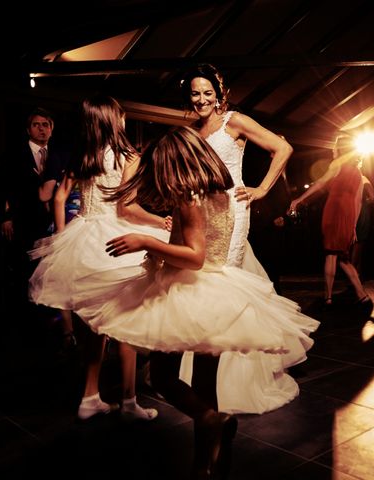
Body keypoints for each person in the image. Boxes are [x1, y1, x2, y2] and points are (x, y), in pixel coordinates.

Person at [75, 126, 318, 478]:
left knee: (161, 376)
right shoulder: (220, 192)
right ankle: (207, 461)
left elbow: (195, 256)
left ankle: (208, 421)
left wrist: (147, 241)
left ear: (175, 161)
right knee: (206, 386)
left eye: (161, 166)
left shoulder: (189, 195)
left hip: (189, 289)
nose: (159, 174)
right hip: (218, 291)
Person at [29, 95, 171, 421]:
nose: (123, 119)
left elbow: (60, 196)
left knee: (93, 324)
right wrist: (159, 220)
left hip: (84, 235)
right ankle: (129, 401)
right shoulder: (128, 155)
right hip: (116, 238)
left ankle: (89, 397)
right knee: (127, 320)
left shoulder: (84, 154)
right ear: (112, 119)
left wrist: (62, 235)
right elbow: (126, 208)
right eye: (120, 114)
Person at [179, 63, 307, 415]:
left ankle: (234, 378)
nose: (201, 99)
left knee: (223, 282)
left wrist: (262, 190)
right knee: (200, 282)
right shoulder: (192, 129)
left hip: (233, 212)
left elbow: (282, 148)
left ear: (219, 95)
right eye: (195, 93)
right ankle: (200, 369)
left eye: (207, 92)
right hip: (202, 212)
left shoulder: (234, 121)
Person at [0, 107, 70, 323]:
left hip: (53, 220)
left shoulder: (60, 155)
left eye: (45, 125)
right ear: (28, 129)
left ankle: (49, 313)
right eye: (36, 125)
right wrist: (6, 217)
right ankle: (26, 316)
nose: (41, 129)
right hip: (23, 218)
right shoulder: (14, 154)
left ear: (52, 129)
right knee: (24, 267)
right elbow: (4, 187)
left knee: (49, 268)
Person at [288, 148, 374, 310]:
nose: (333, 152)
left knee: (331, 254)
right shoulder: (358, 172)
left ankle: (327, 297)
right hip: (348, 215)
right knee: (343, 256)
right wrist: (354, 225)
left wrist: (300, 199)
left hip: (334, 211)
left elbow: (320, 183)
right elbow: (358, 202)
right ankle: (361, 294)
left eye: (335, 149)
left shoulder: (338, 163)